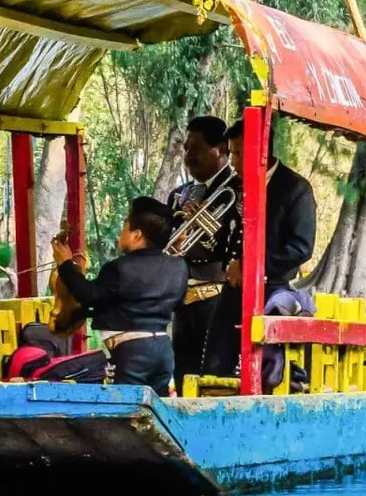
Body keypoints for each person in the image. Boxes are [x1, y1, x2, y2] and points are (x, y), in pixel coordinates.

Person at [208, 120, 317, 387]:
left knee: (265, 373)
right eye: (231, 153)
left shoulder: (295, 188)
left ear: (261, 151)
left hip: (271, 290)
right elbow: (226, 236)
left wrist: (249, 266)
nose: (232, 161)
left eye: (238, 153)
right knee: (214, 368)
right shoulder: (233, 185)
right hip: (234, 290)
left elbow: (301, 247)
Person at [50, 197, 187, 393]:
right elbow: (176, 302)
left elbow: (88, 295)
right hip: (164, 350)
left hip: (131, 352)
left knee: (125, 408)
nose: (120, 233)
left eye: (125, 227)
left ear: (137, 235)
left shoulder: (119, 268)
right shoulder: (179, 266)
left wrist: (65, 264)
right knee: (157, 406)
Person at [165, 115, 235, 384]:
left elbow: (238, 240)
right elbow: (166, 241)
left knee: (213, 376)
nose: (188, 156)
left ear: (220, 149)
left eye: (196, 148)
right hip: (183, 298)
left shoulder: (236, 189)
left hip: (218, 297)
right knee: (183, 372)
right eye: (186, 149)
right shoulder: (178, 195)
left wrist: (209, 228)